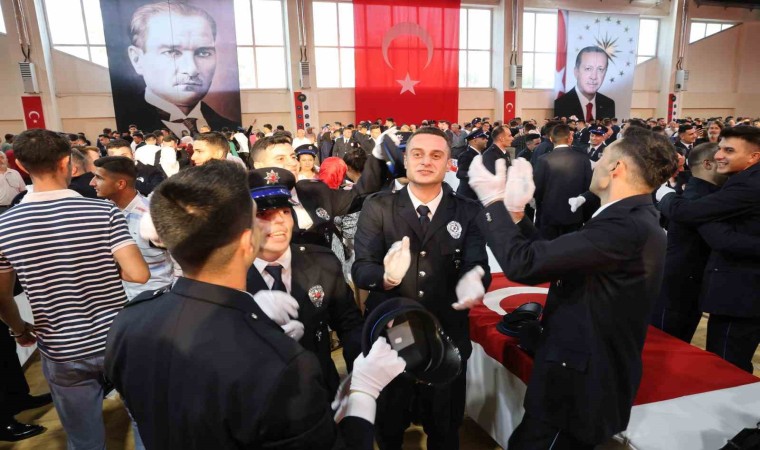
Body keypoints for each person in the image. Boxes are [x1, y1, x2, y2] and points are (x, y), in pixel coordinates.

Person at [105, 160, 405, 449]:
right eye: (259, 216)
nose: (277, 222)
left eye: (284, 211)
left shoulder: (128, 322)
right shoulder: (280, 364)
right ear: (248, 242)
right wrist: (364, 391)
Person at [467, 127, 678, 449]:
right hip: (583, 374)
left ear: (616, 167)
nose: (594, 165)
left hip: (577, 387)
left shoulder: (625, 225)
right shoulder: (631, 217)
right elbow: (563, 257)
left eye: (602, 158)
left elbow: (524, 265)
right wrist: (517, 216)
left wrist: (492, 203)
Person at [0, 129, 149, 450]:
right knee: (145, 422)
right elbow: (138, 274)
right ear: (67, 162)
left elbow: (2, 297)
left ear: (21, 166)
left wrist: (19, 329)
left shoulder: (5, 226)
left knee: (84, 439)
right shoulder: (104, 212)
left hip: (61, 347)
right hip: (116, 338)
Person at [353, 127, 491, 450]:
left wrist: (475, 280)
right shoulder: (378, 207)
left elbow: (477, 265)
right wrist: (386, 278)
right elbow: (361, 268)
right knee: (388, 428)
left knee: (445, 429)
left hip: (446, 339)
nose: (426, 161)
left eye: (436, 155)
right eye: (417, 154)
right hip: (392, 338)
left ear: (448, 163)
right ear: (405, 160)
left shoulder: (468, 211)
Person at [246, 167, 363, 396]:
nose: (279, 221)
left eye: (285, 211)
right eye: (264, 214)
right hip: (261, 398)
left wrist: (360, 380)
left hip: (321, 391)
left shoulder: (321, 262)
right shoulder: (230, 274)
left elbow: (349, 325)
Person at [657, 126, 760, 372]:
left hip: (741, 294)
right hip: (738, 292)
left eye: (729, 150)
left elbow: (690, 214)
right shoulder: (741, 181)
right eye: (720, 148)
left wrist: (666, 196)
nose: (719, 155)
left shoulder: (749, 184)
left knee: (727, 366)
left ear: (753, 157)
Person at [248, 135, 383, 248]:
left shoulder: (315, 190)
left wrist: (380, 156)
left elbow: (360, 194)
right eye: (280, 159)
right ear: (258, 166)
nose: (293, 163)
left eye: (293, 157)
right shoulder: (248, 206)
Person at [650, 143, 726, 343]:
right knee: (666, 344)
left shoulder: (694, 195)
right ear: (707, 164)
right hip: (678, 288)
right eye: (721, 156)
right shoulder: (696, 198)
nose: (726, 161)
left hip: (688, 285)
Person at [125, 2, 239, 135]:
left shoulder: (231, 128)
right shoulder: (126, 123)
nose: (192, 70)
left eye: (203, 52)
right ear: (137, 59)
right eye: (172, 52)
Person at [90, 156, 174, 300]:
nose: (91, 183)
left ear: (120, 184)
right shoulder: (105, 212)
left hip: (156, 297)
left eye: (99, 178)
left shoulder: (152, 216)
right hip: (123, 296)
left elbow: (179, 260)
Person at [532, 124, 590, 239]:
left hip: (549, 215)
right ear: (570, 138)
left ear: (551, 139)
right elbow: (588, 187)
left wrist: (538, 205)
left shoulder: (543, 160)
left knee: (549, 248)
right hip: (574, 215)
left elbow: (537, 188)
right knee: (571, 248)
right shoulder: (583, 159)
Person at [554, 46, 616, 121]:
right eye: (588, 69)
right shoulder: (560, 105)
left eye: (600, 69)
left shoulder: (608, 104)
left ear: (605, 73)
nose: (594, 77)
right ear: (576, 71)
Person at [455, 129, 488, 200]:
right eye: (483, 138)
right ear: (475, 141)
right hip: (468, 197)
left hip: (477, 196)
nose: (486, 140)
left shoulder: (481, 155)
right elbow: (460, 174)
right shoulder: (466, 155)